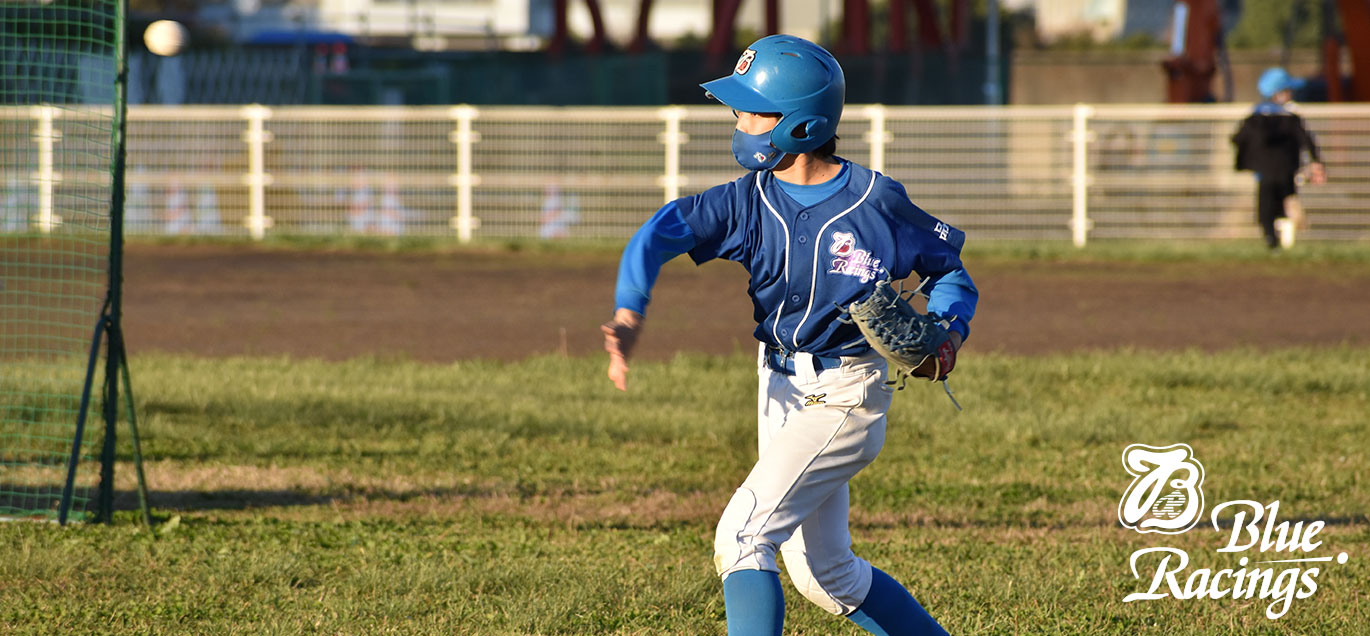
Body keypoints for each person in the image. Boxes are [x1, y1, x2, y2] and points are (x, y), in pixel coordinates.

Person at [600, 35, 976, 636]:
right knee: (829, 576)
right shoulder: (748, 202)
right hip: (776, 383)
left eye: (751, 110)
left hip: (846, 392)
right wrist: (629, 311)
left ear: (799, 126)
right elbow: (659, 232)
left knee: (744, 536)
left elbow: (949, 270)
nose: (738, 119)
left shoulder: (877, 203)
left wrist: (950, 329)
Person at [1231, 67, 1326, 249]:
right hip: (1287, 173)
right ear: (1278, 94)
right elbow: (1307, 141)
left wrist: (1246, 161)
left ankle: (1272, 242)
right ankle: (1283, 243)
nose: (1291, 94)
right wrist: (1316, 162)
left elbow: (1237, 139)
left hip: (1264, 174)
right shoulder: (1290, 118)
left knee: (1266, 210)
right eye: (1288, 90)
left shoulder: (1254, 118)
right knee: (1286, 205)